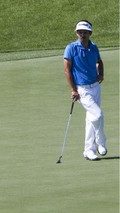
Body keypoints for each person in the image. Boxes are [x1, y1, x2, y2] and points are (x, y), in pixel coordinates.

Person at [63, 20, 107, 161]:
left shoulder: (94, 47)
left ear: (90, 33)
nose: (83, 34)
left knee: (91, 118)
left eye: (85, 32)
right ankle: (101, 142)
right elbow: (66, 70)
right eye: (80, 32)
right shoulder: (71, 48)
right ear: (76, 33)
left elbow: (99, 62)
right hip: (82, 89)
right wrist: (73, 90)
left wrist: (101, 74)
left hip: (95, 87)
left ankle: (88, 151)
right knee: (98, 115)